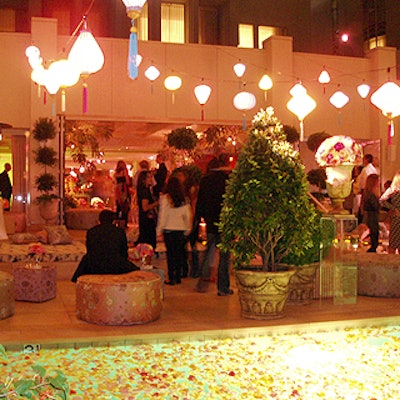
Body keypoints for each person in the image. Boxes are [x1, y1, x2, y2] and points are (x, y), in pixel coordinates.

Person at [195, 154, 233, 296]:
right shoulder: (227, 181)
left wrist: (200, 218)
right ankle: (223, 287)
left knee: (207, 253)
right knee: (224, 257)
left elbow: (200, 202)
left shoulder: (205, 181)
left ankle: (201, 282)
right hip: (225, 223)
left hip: (210, 221)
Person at [71, 209, 139, 282]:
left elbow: (90, 250)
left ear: (99, 220)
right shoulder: (119, 231)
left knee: (86, 261)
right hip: (115, 263)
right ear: (113, 221)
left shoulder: (91, 231)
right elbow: (123, 251)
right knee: (136, 270)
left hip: (95, 264)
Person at [157, 176, 192, 285]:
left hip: (169, 230)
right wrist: (188, 228)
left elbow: (162, 216)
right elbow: (188, 215)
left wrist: (159, 230)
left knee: (171, 255)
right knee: (179, 253)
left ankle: (171, 277)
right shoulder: (184, 200)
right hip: (180, 230)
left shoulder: (165, 199)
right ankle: (178, 276)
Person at [136, 170, 159, 250]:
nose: (150, 179)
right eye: (148, 177)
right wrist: (157, 203)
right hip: (147, 219)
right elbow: (145, 207)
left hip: (144, 218)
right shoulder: (145, 191)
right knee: (148, 241)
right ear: (143, 179)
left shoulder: (145, 190)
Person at [380, 170, 400, 254]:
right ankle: (391, 263)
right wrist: (393, 208)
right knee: (393, 243)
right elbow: (381, 200)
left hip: (396, 217)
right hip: (396, 218)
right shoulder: (393, 189)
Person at [361, 174, 380, 252]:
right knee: (374, 231)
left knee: (374, 231)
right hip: (372, 215)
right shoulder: (371, 195)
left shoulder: (367, 193)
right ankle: (373, 248)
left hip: (370, 215)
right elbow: (375, 206)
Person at [114, 160, 132, 228]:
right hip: (123, 190)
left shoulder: (116, 173)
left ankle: (117, 222)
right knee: (125, 207)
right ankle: (124, 223)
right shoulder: (124, 171)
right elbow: (127, 182)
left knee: (118, 208)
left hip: (118, 190)